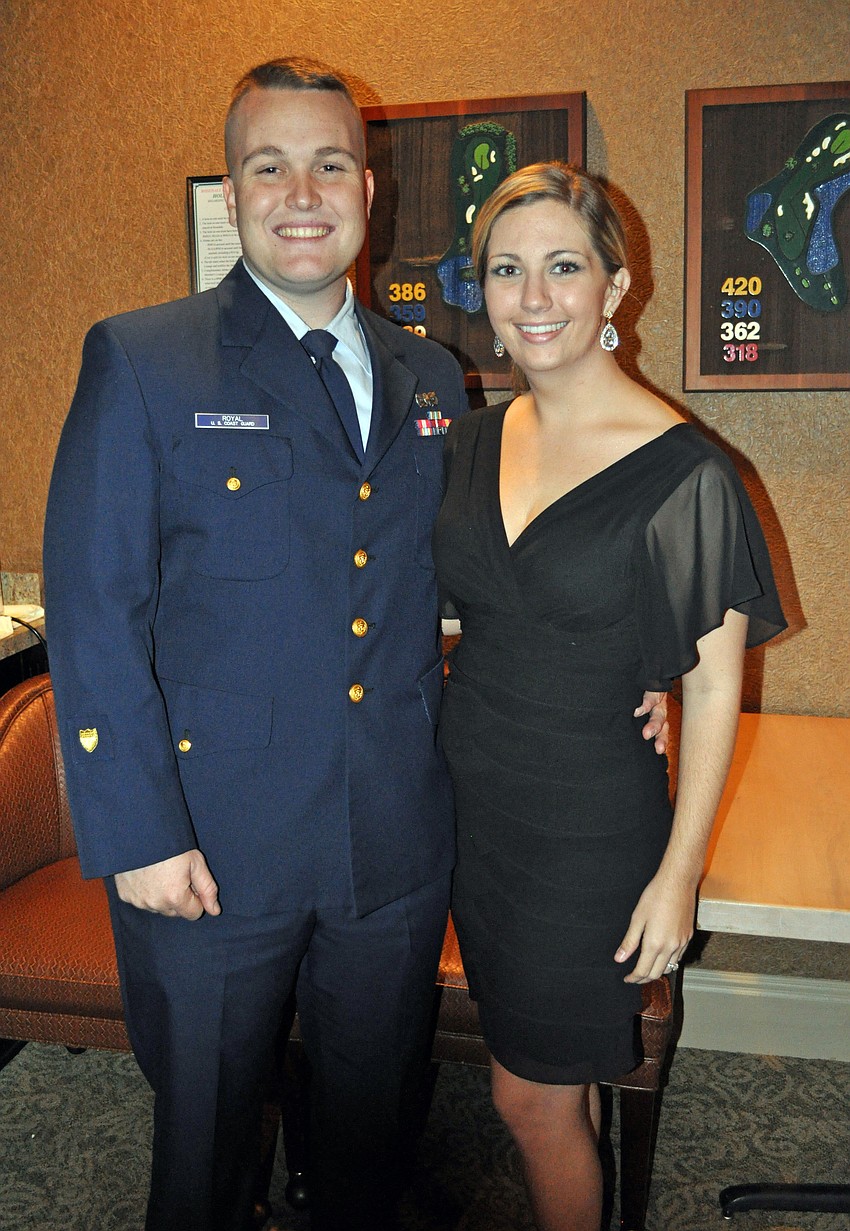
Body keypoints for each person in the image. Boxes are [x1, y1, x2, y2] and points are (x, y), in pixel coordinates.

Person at [43, 61, 668, 1230]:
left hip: (389, 840)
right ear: (233, 192)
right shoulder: (144, 359)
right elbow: (93, 613)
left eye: (328, 163)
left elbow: (493, 571)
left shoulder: (433, 375)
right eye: (267, 164)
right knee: (206, 1147)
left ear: (367, 192)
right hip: (206, 848)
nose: (300, 190)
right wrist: (137, 832)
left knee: (374, 1132)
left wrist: (624, 679)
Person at [432, 162, 787, 1231]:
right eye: (505, 270)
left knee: (525, 1097)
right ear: (481, 291)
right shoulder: (472, 439)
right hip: (475, 810)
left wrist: (679, 875)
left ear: (614, 289)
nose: (532, 298)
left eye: (561, 267)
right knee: (554, 1077)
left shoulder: (687, 473)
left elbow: (718, 682)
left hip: (585, 827)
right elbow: (459, 616)